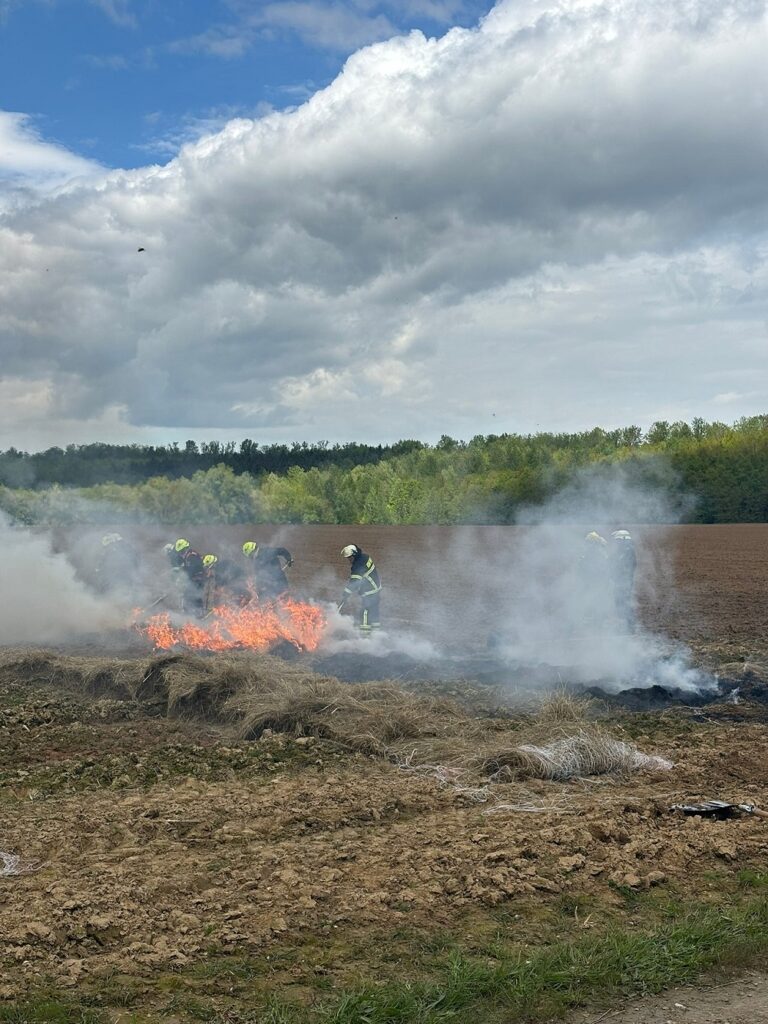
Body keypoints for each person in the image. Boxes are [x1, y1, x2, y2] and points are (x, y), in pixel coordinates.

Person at [339, 543, 381, 635]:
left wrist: (346, 593)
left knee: (365, 612)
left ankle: (365, 636)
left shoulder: (357, 566)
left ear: (354, 555)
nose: (349, 560)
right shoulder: (365, 557)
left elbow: (354, 582)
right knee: (374, 611)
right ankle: (376, 634)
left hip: (369, 590)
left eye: (350, 558)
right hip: (376, 587)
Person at [170, 538, 206, 616]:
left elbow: (193, 569)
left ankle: (196, 614)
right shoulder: (189, 556)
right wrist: (181, 569)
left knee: (192, 596)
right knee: (191, 596)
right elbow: (189, 568)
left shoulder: (191, 556)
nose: (180, 554)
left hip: (197, 580)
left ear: (184, 549)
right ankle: (193, 614)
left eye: (181, 552)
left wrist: (183, 576)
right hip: (195, 580)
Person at [610, 529, 637, 630]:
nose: (617, 543)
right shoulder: (623, 550)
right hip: (621, 581)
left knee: (624, 603)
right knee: (620, 602)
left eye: (618, 540)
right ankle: (627, 625)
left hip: (624, 582)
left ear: (624, 539)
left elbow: (625, 567)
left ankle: (630, 626)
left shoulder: (628, 551)